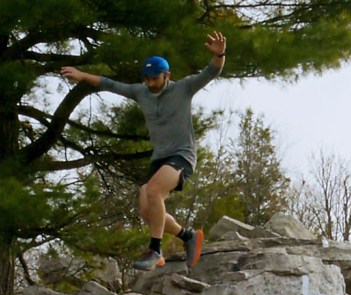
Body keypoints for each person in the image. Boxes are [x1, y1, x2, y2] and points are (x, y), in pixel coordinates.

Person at [61, 32, 227, 271]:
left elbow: (211, 72)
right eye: (146, 79)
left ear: (166, 75)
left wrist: (220, 54)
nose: (150, 83)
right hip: (159, 158)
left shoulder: (184, 88)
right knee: (147, 211)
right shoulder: (141, 92)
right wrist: (82, 75)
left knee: (154, 190)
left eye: (154, 78)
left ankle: (155, 250)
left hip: (182, 155)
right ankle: (187, 235)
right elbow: (109, 84)